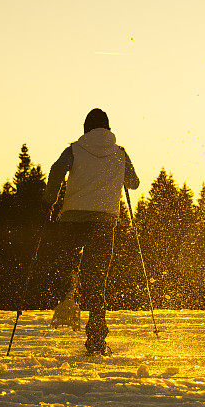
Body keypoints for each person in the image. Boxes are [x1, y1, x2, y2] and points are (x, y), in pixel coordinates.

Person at [42, 108, 140, 355]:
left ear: (86, 127)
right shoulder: (120, 154)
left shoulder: (74, 149)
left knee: (67, 264)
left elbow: (56, 171)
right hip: (105, 222)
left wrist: (50, 199)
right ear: (108, 129)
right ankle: (96, 339)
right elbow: (134, 183)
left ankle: (67, 297)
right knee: (98, 280)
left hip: (72, 219)